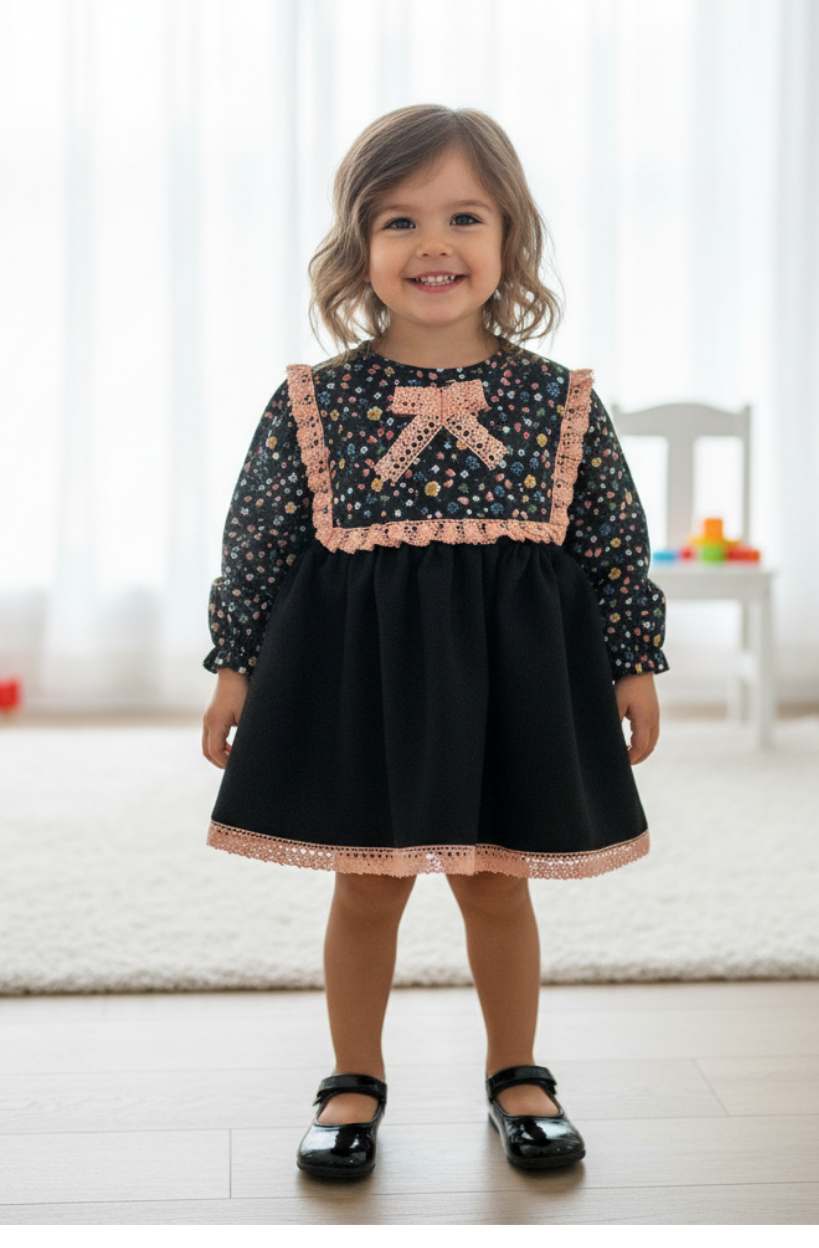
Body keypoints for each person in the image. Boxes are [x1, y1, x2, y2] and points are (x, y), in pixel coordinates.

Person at [202, 104, 667, 1179]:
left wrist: (633, 663)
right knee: (368, 883)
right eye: (399, 221)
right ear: (360, 245)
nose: (433, 245)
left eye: (464, 217)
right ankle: (351, 1079)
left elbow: (613, 539)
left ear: (509, 237)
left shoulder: (558, 401)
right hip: (359, 676)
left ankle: (518, 1075)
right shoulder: (316, 401)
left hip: (511, 679)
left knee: (495, 879)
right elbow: (258, 539)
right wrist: (234, 668)